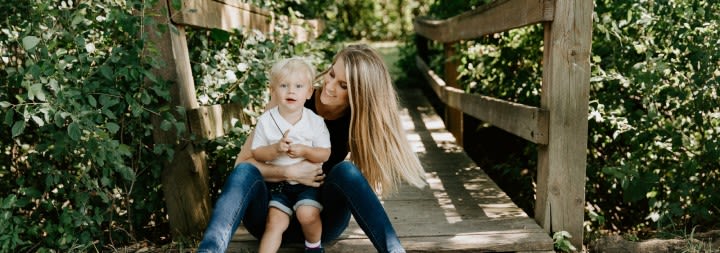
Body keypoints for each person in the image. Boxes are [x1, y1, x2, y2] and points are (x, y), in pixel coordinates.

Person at [197, 44, 426, 253]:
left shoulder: (355, 123)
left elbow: (355, 186)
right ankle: (208, 250)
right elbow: (242, 166)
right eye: (332, 74)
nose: (329, 86)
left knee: (347, 171)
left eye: (343, 86)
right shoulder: (291, 97)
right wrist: (288, 172)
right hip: (269, 216)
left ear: (359, 95)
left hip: (319, 221)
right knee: (245, 172)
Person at [252, 57, 331, 253]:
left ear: (309, 92)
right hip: (277, 186)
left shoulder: (315, 122)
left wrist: (305, 150)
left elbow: (325, 153)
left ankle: (313, 247)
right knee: (274, 222)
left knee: (308, 214)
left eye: (298, 86)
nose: (291, 91)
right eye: (284, 85)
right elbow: (257, 153)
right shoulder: (266, 121)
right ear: (272, 90)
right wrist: (275, 149)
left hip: (308, 185)